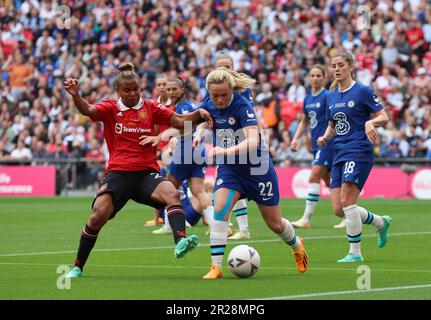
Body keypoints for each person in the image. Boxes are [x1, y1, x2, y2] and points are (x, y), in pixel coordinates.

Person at [63, 62, 213, 278]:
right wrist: (76, 95)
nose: (133, 93)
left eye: (136, 89)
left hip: (145, 174)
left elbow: (180, 122)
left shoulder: (151, 107)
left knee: (172, 192)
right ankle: (77, 266)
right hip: (118, 174)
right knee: (97, 215)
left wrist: (198, 113)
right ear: (118, 91)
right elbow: (88, 110)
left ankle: (180, 240)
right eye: (127, 90)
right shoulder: (111, 108)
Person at [195, 67, 309, 279]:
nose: (219, 100)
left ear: (232, 90)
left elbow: (253, 141)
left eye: (223, 95)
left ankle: (296, 245)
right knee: (220, 209)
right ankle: (216, 267)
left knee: (274, 223)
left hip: (258, 169)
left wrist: (223, 150)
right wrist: (199, 134)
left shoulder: (243, 106)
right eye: (214, 95)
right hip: (230, 169)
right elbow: (202, 120)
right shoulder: (209, 102)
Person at [317, 51, 392, 263]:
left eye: (341, 65)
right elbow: (333, 125)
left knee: (348, 202)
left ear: (351, 67)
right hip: (338, 152)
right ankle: (380, 222)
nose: (337, 69)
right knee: (338, 209)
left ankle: (355, 253)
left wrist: (371, 122)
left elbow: (383, 116)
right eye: (333, 65)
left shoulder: (362, 91)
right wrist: (324, 137)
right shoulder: (330, 96)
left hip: (358, 151)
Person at [142, 76, 214, 229]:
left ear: (183, 90)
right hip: (198, 150)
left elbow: (185, 127)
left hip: (185, 150)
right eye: (168, 89)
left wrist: (163, 136)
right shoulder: (189, 106)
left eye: (174, 89)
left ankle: (169, 225)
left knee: (168, 187)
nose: (171, 92)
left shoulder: (182, 107)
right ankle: (216, 225)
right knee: (198, 190)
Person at [289, 65, 344, 229]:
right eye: (312, 75)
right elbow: (304, 121)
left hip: (327, 143)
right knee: (329, 182)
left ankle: (306, 218)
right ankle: (348, 215)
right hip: (316, 144)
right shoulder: (307, 98)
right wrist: (295, 139)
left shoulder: (327, 96)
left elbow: (333, 120)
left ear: (324, 78)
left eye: (318, 75)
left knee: (313, 177)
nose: (315, 78)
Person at [206, 51, 252, 240]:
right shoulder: (213, 88)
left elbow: (250, 116)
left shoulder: (241, 91)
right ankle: (230, 225)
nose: (223, 69)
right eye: (220, 66)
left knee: (231, 186)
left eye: (227, 66)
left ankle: (238, 228)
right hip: (223, 144)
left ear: (232, 67)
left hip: (242, 145)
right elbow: (206, 115)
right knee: (225, 186)